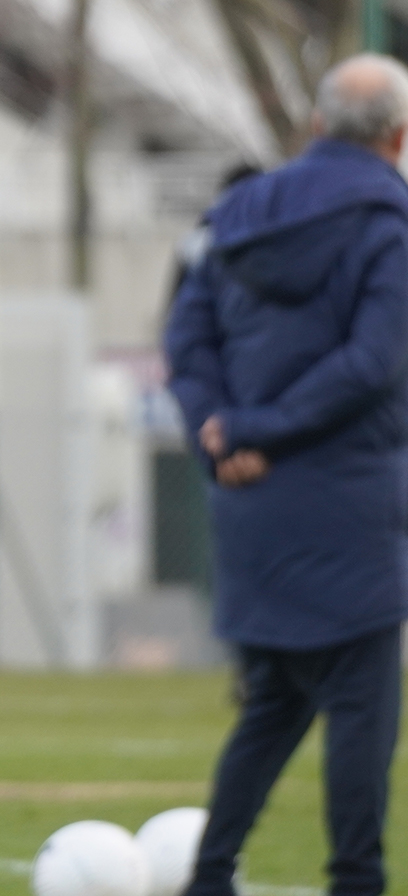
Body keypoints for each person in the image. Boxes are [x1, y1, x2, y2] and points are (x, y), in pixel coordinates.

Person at [165, 54, 408, 896]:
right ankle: (357, 880)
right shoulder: (390, 223)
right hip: (349, 500)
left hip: (248, 505)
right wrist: (261, 427)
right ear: (399, 136)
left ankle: (210, 875)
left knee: (272, 703)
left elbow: (186, 340)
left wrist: (216, 434)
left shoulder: (234, 213)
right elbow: (373, 361)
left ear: (315, 127)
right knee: (362, 710)